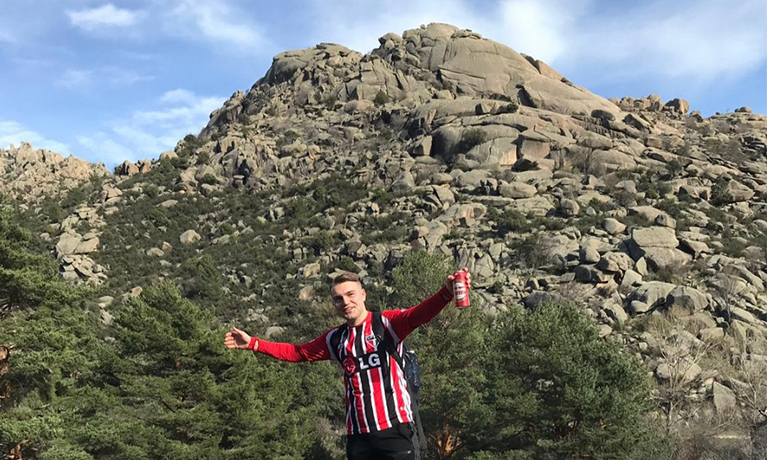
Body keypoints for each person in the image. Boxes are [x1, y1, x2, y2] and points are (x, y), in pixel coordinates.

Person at [224, 269, 471, 460]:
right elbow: (297, 352)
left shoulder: (386, 324)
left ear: (363, 295)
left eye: (350, 294)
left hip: (396, 431)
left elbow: (419, 315)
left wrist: (446, 293)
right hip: (358, 438)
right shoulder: (336, 338)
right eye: (338, 299)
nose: (345, 302)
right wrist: (254, 343)